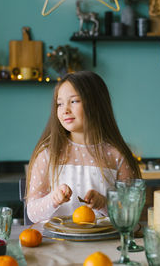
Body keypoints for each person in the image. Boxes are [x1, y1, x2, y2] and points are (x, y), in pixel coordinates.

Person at [26, 71, 142, 223]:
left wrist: (104, 204)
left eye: (74, 101)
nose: (65, 109)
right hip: (58, 244)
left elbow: (129, 214)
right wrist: (53, 199)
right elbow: (32, 213)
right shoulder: (48, 154)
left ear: (96, 104)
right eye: (59, 103)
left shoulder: (116, 156)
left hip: (103, 245)